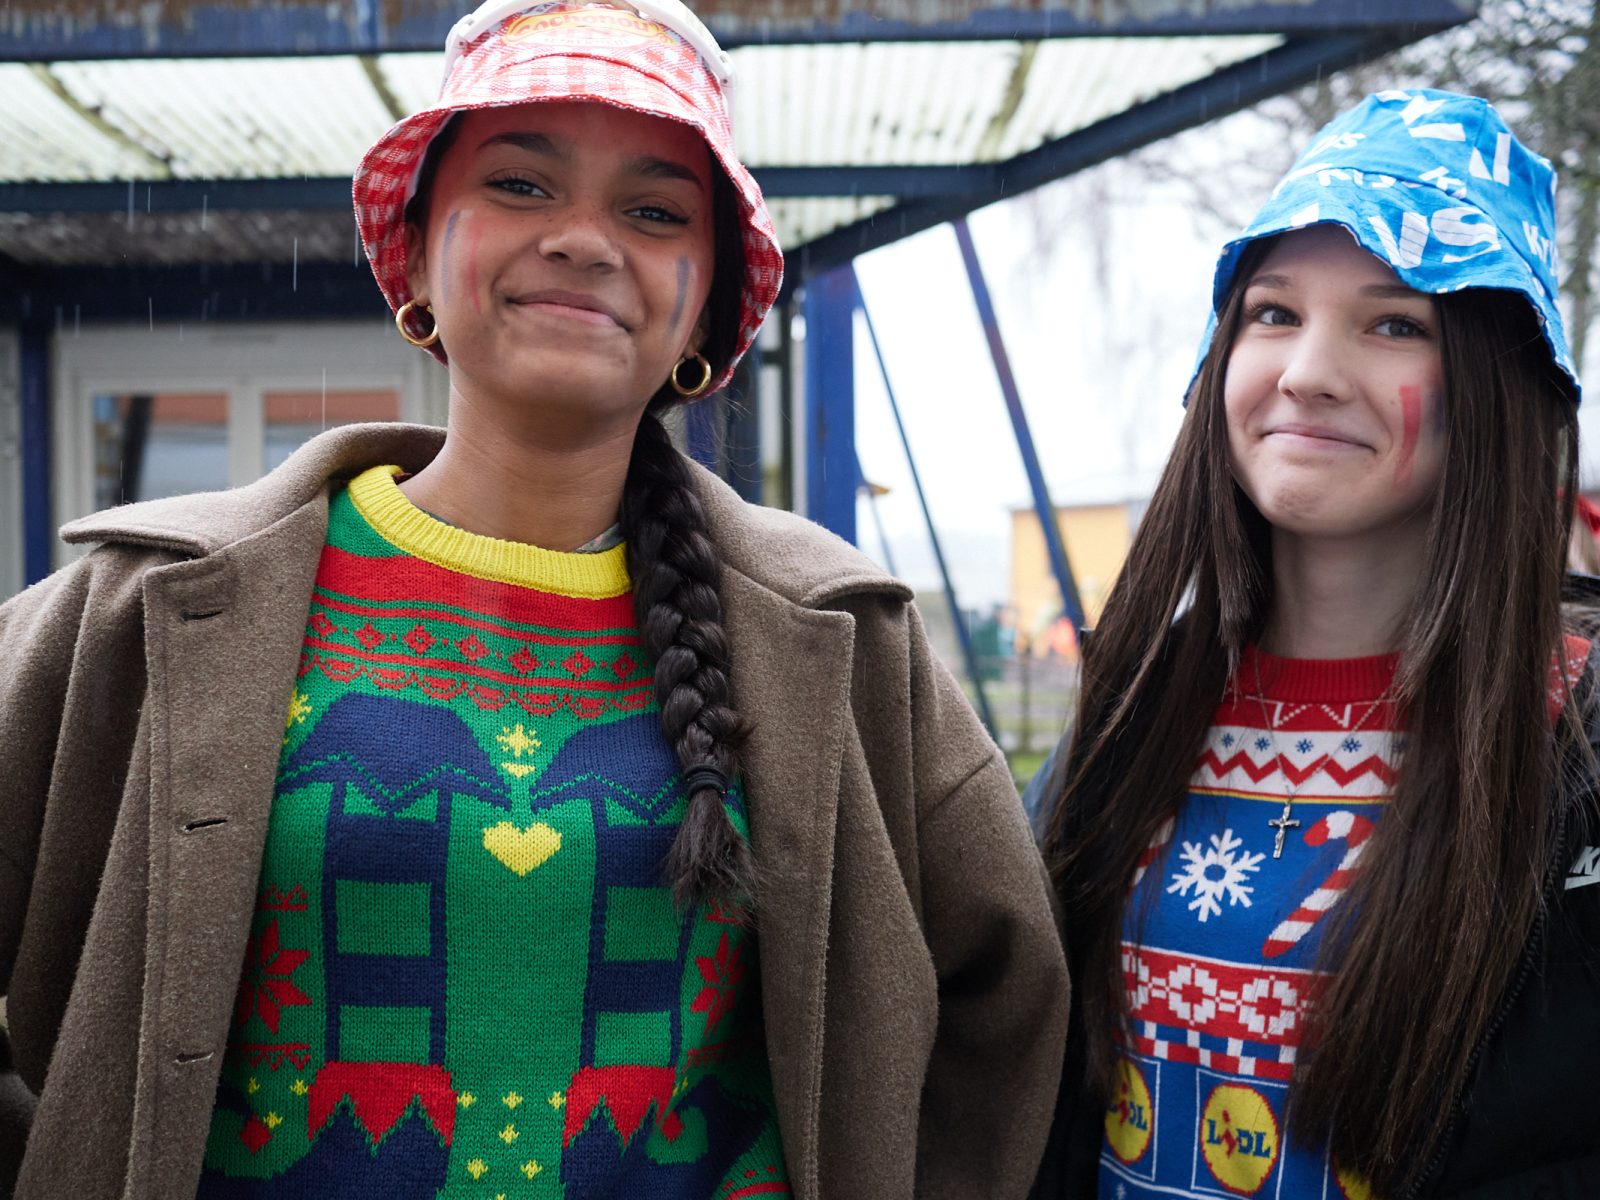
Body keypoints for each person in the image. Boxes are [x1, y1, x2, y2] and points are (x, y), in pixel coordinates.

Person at [0, 3, 1069, 1197]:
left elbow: (1008, 998)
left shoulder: (846, 641)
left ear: (705, 311)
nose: (583, 240)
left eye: (653, 212)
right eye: (519, 185)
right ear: (414, 256)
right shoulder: (142, 607)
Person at [1032, 90, 1600, 1199]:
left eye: (1395, 324)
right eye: (1273, 313)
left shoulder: (1577, 743)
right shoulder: (1135, 711)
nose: (1306, 371)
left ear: (1498, 385)